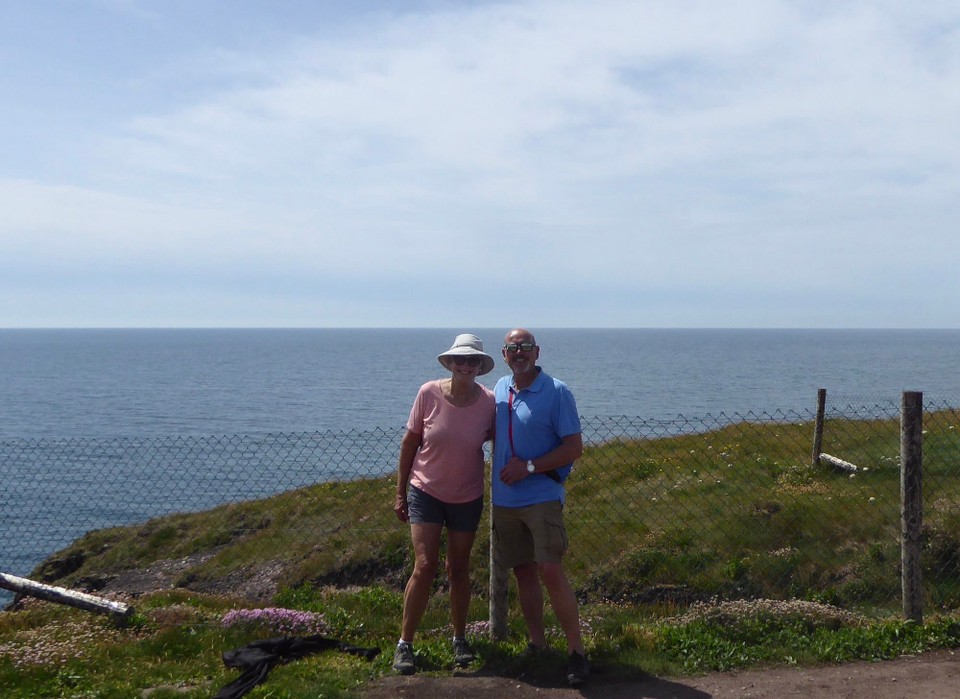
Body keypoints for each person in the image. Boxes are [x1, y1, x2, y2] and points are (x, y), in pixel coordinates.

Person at [392, 333, 496, 675]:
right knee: (424, 565)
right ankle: (405, 644)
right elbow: (410, 443)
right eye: (460, 360)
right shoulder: (428, 393)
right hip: (426, 492)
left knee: (459, 569)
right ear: (449, 363)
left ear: (480, 367)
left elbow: (506, 440)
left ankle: (460, 639)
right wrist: (399, 492)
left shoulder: (489, 402)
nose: (466, 365)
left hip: (467, 496)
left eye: (472, 361)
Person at [491, 328, 589, 686]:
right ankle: (537, 645)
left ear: (537, 352)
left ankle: (577, 653)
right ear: (504, 354)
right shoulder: (501, 389)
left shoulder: (557, 392)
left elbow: (574, 447)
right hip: (505, 501)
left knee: (550, 570)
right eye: (513, 348)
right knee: (524, 572)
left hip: (541, 498)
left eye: (526, 347)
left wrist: (529, 467)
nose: (520, 353)